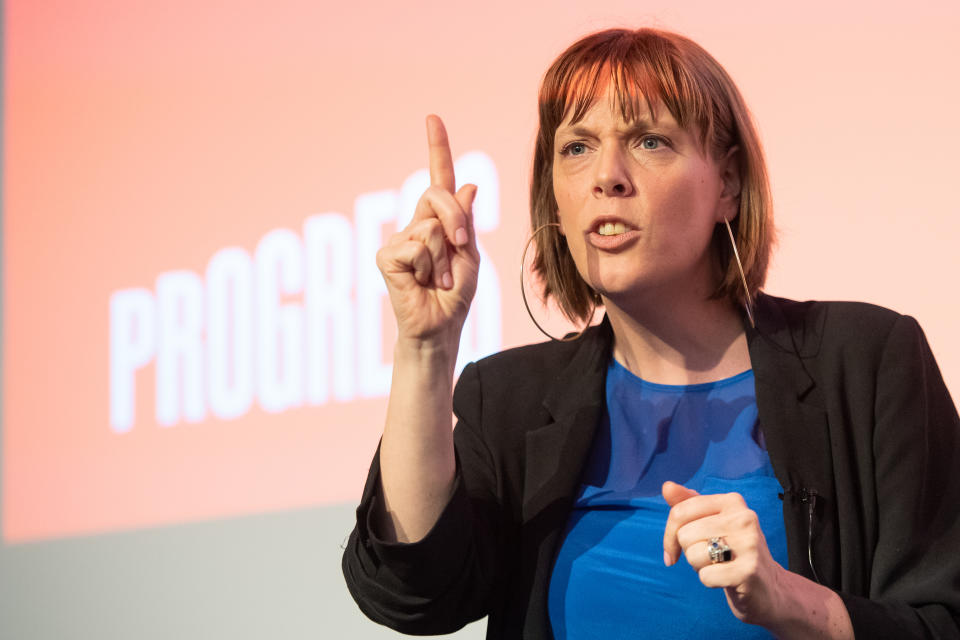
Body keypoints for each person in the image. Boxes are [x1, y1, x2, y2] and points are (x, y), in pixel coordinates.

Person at [341, 27, 960, 639]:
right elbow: (414, 593)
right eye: (577, 148)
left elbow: (943, 621)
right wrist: (425, 349)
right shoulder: (508, 400)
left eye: (650, 141)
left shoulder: (869, 363)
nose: (607, 177)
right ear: (555, 202)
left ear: (729, 185)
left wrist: (792, 602)